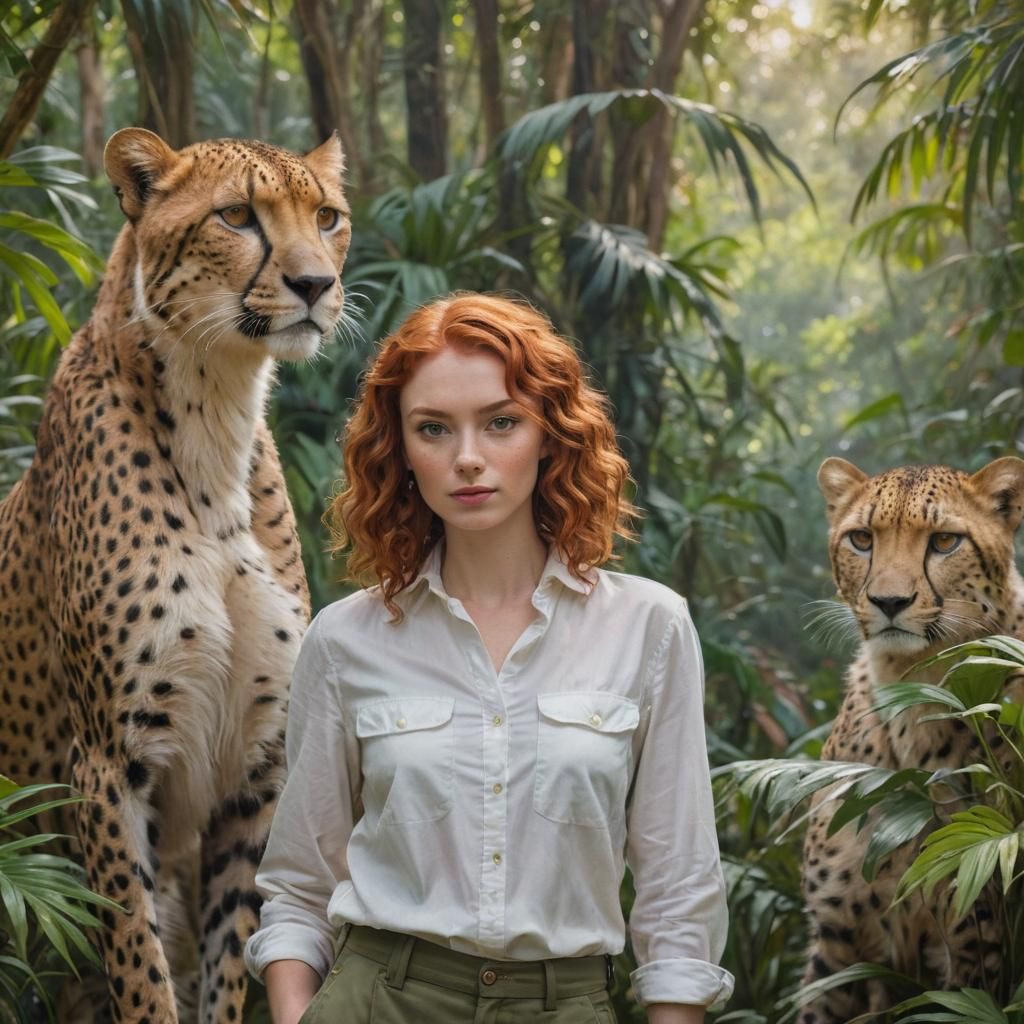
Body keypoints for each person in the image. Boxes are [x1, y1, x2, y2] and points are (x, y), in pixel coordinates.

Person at [244, 293, 735, 1024]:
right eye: (433, 428)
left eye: (501, 422)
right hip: (376, 999)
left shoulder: (648, 628)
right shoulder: (346, 640)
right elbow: (298, 884)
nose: (467, 458)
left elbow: (678, 889)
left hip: (566, 1004)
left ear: (550, 434)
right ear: (400, 449)